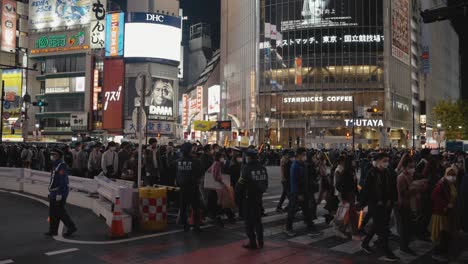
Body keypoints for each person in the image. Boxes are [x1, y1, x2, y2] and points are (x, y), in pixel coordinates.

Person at [361, 153, 399, 262]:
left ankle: (365, 243)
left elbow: (392, 188)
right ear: (377, 161)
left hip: (387, 204)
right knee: (383, 229)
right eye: (384, 160)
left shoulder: (388, 172)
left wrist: (391, 200)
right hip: (376, 205)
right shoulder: (371, 173)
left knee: (378, 226)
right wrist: (374, 201)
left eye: (387, 160)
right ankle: (386, 251)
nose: (387, 163)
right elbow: (367, 191)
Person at [236, 149, 268, 250]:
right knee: (258, 220)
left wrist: (237, 193)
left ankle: (252, 242)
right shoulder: (262, 168)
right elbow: (265, 184)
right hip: (258, 198)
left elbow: (240, 185)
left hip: (248, 198)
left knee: (249, 222)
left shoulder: (246, 168)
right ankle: (261, 241)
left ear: (249, 157)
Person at [285, 148, 320, 237]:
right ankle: (288, 228)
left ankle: (310, 226)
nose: (305, 156)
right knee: (292, 211)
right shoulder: (295, 165)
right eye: (304, 154)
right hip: (296, 193)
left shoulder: (303, 164)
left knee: (306, 210)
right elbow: (295, 181)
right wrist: (299, 194)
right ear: (299, 155)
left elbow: (305, 179)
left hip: (304, 191)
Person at [45, 148, 77, 237]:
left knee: (60, 212)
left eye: (54, 154)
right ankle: (53, 230)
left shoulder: (61, 166)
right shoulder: (55, 165)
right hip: (53, 192)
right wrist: (51, 192)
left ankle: (71, 227)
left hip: (59, 192)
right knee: (52, 213)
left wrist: (59, 194)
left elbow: (63, 181)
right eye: (52, 154)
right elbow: (54, 180)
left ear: (59, 156)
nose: (52, 156)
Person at [430, 167, 458, 262]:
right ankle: (437, 253)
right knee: (440, 235)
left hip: (447, 213)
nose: (452, 177)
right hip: (440, 213)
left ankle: (442, 252)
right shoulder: (441, 184)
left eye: (454, 175)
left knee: (445, 234)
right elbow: (434, 197)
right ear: (446, 175)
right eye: (450, 175)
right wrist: (446, 205)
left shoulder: (450, 184)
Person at [176, 143, 203, 232]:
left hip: (183, 187)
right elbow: (200, 173)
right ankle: (196, 226)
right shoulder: (195, 161)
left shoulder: (179, 161)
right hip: (193, 187)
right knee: (195, 207)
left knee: (183, 207)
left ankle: (185, 226)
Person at [396, 156, 418, 255]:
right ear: (405, 166)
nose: (413, 168)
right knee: (404, 227)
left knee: (407, 226)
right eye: (410, 166)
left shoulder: (409, 175)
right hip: (403, 205)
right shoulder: (401, 177)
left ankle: (405, 245)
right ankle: (403, 246)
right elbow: (403, 193)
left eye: (413, 166)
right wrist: (415, 189)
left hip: (409, 204)